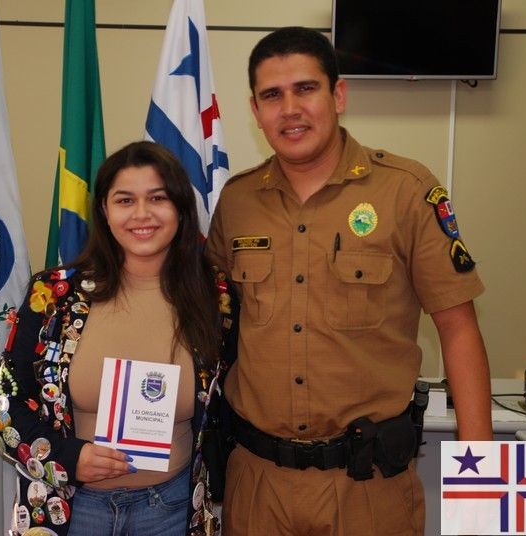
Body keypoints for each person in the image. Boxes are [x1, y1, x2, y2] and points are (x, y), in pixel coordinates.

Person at [205, 27, 493, 535]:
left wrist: (480, 478)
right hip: (258, 483)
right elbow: (208, 320)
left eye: (305, 89)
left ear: (338, 95)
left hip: (368, 489)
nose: (290, 109)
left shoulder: (405, 191)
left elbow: (459, 330)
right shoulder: (237, 201)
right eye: (272, 95)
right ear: (255, 111)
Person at [0, 141, 236, 536]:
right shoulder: (53, 296)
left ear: (181, 209)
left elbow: (236, 402)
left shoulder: (215, 297)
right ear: (103, 209)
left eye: (158, 198)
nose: (142, 214)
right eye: (125, 200)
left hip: (172, 510)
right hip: (71, 508)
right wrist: (67, 458)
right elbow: (2, 405)